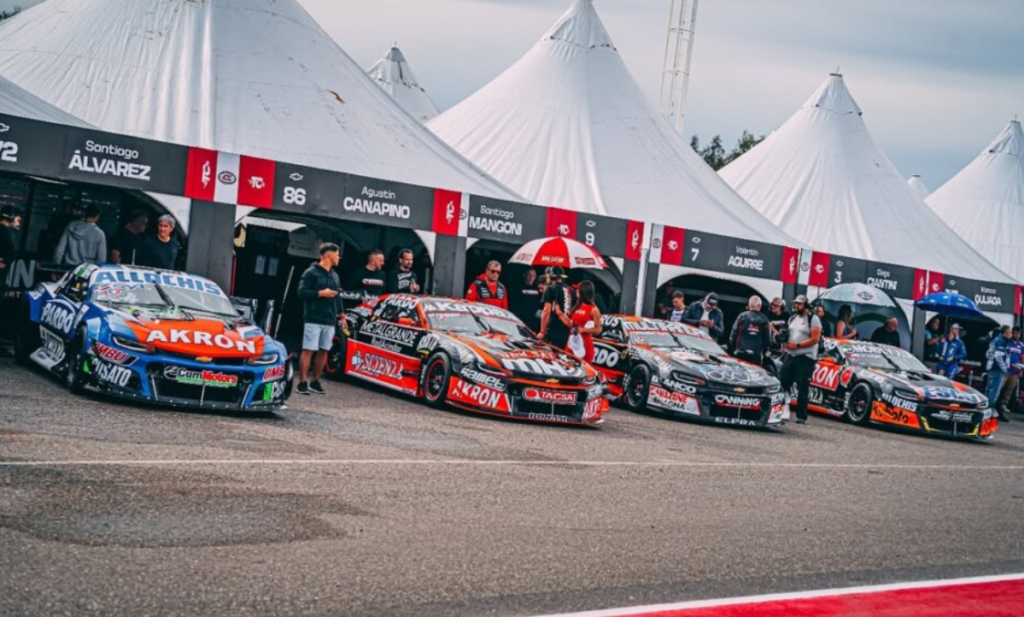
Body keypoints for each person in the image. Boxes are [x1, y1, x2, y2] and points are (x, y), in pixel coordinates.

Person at [296, 243, 346, 396]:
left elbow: (338, 297)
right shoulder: (311, 273)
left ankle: (315, 381)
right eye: (337, 254)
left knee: (324, 350)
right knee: (309, 349)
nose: (339, 258)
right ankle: (302, 383)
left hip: (329, 319)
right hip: (313, 317)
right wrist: (320, 293)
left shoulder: (335, 275)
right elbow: (301, 292)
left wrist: (342, 315)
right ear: (330, 255)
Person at [779, 295, 822, 424]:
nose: (796, 306)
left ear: (806, 305)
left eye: (799, 304)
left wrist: (797, 345)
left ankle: (801, 416)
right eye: (795, 303)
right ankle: (785, 408)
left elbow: (815, 339)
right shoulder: (793, 318)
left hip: (806, 357)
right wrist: (783, 340)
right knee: (783, 381)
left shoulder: (813, 319)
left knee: (802, 386)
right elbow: (789, 333)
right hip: (790, 354)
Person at [539, 267, 577, 351]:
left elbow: (546, 310)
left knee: (551, 355)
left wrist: (542, 331)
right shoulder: (571, 290)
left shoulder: (550, 288)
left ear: (550, 276)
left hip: (554, 329)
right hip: (568, 330)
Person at [730, 296, 772, 367]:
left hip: (740, 353)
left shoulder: (742, 317)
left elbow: (733, 336)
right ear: (759, 306)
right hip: (756, 356)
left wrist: (735, 349)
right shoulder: (764, 320)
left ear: (749, 305)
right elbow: (767, 341)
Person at [566, 280, 602, 363]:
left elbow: (598, 329)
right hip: (572, 342)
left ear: (583, 292)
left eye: (578, 289)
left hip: (584, 345)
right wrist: (560, 314)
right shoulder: (577, 306)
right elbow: (571, 324)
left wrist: (583, 330)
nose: (576, 291)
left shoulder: (594, 309)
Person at [985, 325, 1012, 421]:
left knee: (989, 390)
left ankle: (985, 411)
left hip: (991, 368)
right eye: (1009, 332)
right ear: (1005, 332)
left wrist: (990, 362)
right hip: (997, 369)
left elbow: (988, 354)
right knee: (994, 392)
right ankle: (988, 413)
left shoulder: (995, 340)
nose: (1011, 334)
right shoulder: (1002, 341)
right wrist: (1004, 368)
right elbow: (998, 356)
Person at [996, 327, 1023, 418]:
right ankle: (995, 403)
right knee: (1000, 386)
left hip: (1015, 371)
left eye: (1018, 334)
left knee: (1009, 388)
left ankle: (1004, 404)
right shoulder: (1007, 342)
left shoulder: (1021, 345)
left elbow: (1022, 357)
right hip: (1005, 369)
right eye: (1015, 333)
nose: (1017, 335)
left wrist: (1021, 369)